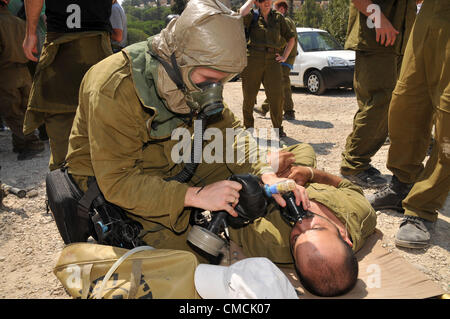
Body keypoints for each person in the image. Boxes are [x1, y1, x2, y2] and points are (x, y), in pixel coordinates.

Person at [64, 0, 311, 265]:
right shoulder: (114, 87)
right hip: (117, 181)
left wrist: (265, 171)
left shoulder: (192, 73)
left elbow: (231, 133)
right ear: (178, 60)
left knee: (252, 171)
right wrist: (195, 196)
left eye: (221, 81)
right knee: (189, 266)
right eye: (207, 80)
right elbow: (118, 182)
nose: (213, 91)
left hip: (169, 156)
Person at [368, 0, 449, 249]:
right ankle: (403, 183)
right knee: (405, 105)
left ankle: (422, 206)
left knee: (448, 122)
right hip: (427, 16)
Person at [22, 0, 113, 171]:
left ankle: (63, 185)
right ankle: (98, 183)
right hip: (96, 41)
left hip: (59, 41)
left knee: (60, 118)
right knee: (102, 116)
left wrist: (30, 32)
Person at [339, 0, 417, 188]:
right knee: (378, 102)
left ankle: (357, 160)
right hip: (376, 36)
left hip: (398, 39)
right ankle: (354, 164)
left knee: (389, 103)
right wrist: (379, 19)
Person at [239, 0, 296, 137]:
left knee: (277, 96)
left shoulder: (278, 17)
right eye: (263, 1)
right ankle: (248, 128)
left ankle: (278, 128)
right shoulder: (252, 15)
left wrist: (284, 56)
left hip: (273, 61)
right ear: (257, 2)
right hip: (253, 59)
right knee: (249, 96)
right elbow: (241, 13)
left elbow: (291, 38)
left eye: (269, 0)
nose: (267, 3)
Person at [0, 0, 44, 160]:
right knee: (24, 110)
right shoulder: (20, 23)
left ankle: (32, 143)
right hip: (24, 72)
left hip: (6, 73)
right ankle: (20, 144)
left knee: (12, 113)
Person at [255, 0, 298, 121]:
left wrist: (276, 49)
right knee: (281, 84)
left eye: (274, 9)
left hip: (284, 58)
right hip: (286, 58)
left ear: (282, 9)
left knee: (279, 84)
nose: (272, 12)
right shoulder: (288, 20)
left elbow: (288, 39)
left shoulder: (285, 21)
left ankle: (285, 111)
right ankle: (272, 109)